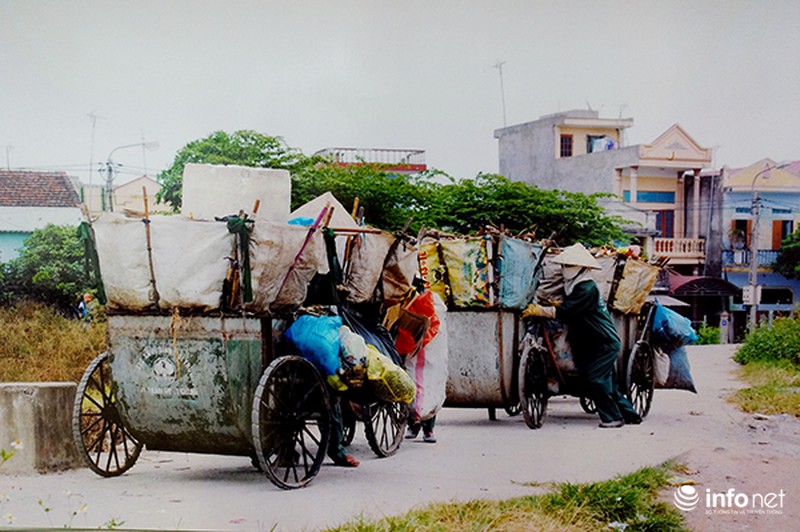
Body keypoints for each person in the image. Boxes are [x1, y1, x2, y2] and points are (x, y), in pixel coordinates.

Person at [523, 243, 642, 428]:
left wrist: (540, 310)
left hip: (604, 343)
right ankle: (631, 415)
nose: (565, 270)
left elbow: (566, 311)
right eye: (564, 266)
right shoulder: (575, 286)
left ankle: (612, 418)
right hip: (593, 343)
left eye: (569, 266)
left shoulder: (586, 288)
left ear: (581, 268)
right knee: (609, 384)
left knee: (596, 379)